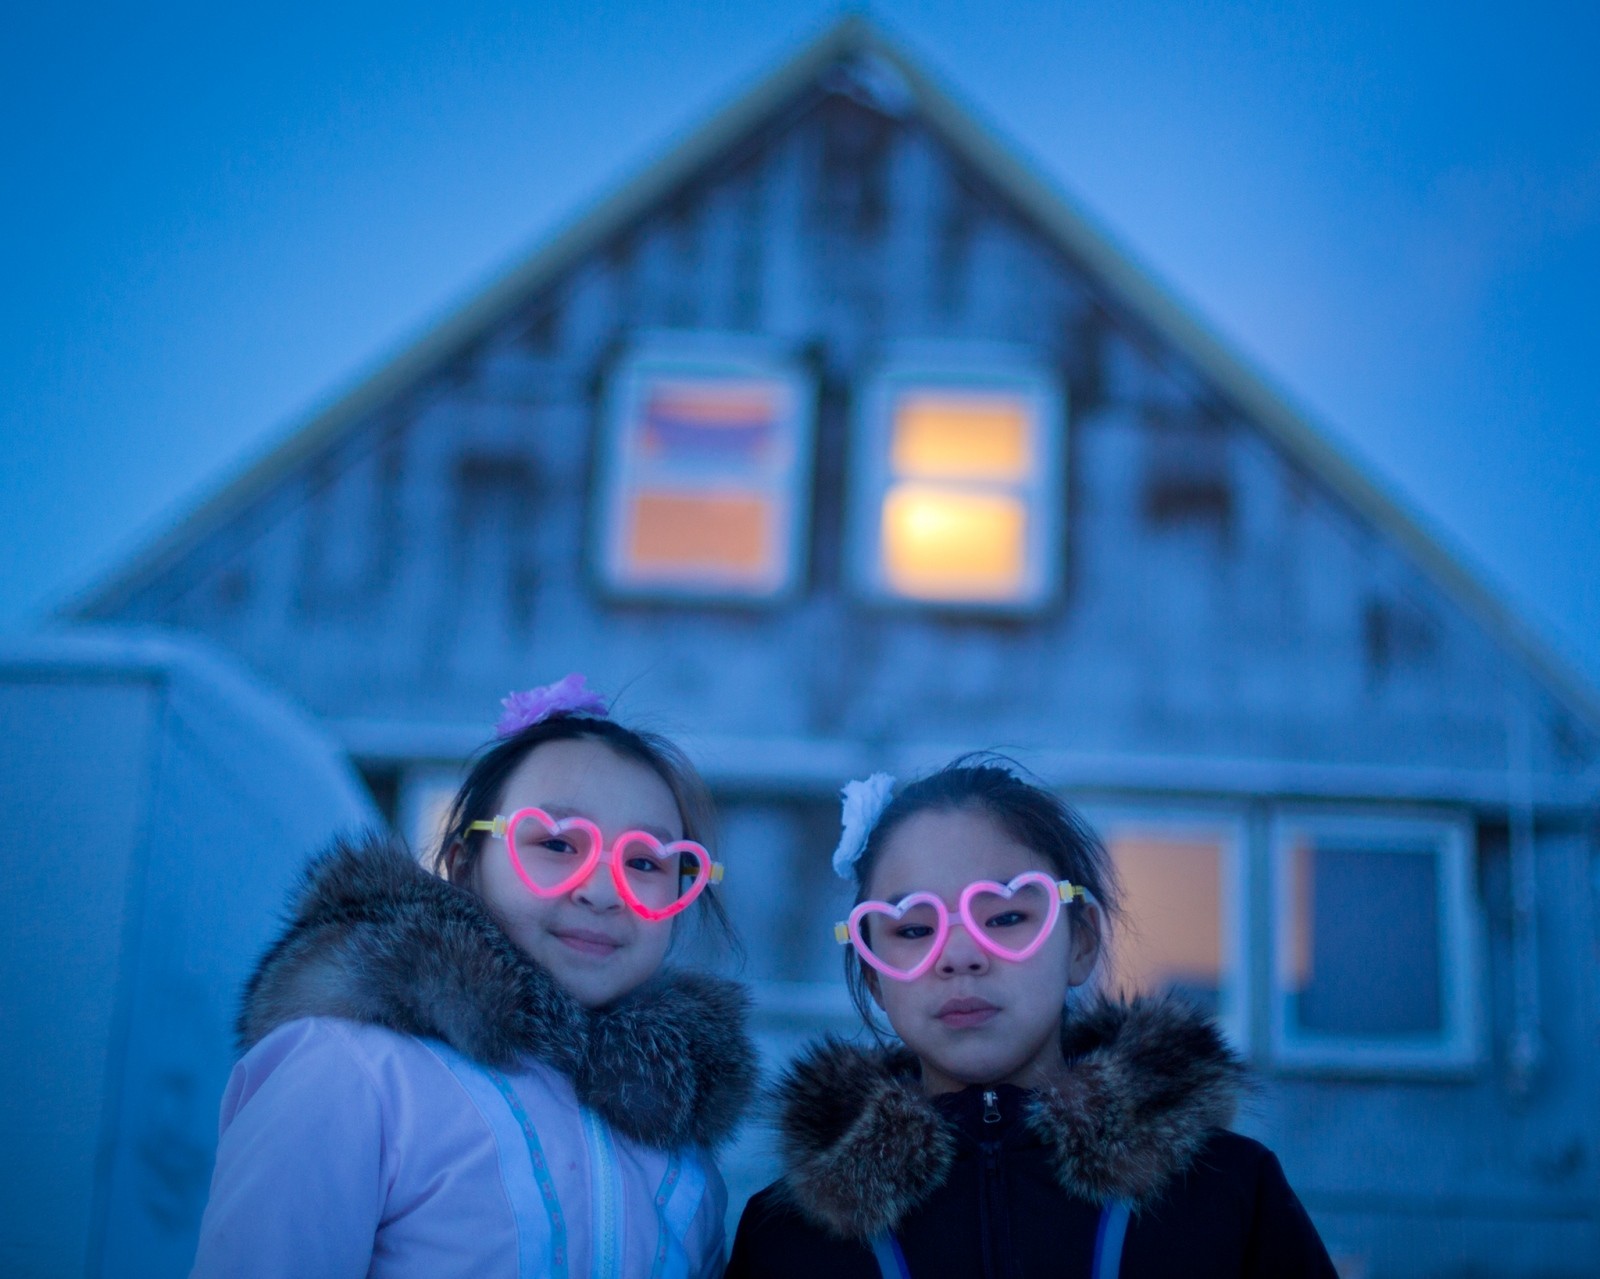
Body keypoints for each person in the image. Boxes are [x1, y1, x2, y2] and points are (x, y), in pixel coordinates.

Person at [192, 674, 756, 1278]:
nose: (601, 891)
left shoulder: (672, 1135)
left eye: (645, 862)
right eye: (557, 845)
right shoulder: (352, 1072)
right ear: (464, 865)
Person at [728, 759, 1336, 1279]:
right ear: (873, 978)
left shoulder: (1226, 1192)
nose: (959, 956)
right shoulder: (789, 1239)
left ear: (1081, 942)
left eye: (1005, 917)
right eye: (913, 929)